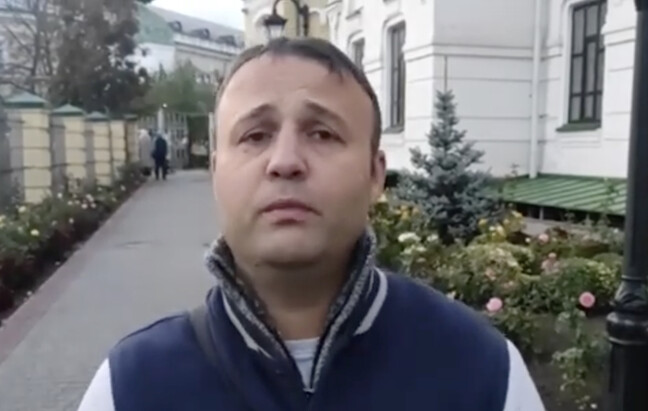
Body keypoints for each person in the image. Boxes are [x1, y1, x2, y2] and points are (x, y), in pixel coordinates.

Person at [76, 38, 545, 411]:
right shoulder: (132, 387)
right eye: (255, 135)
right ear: (216, 171)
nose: (285, 162)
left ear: (375, 174)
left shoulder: (479, 371)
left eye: (322, 133)